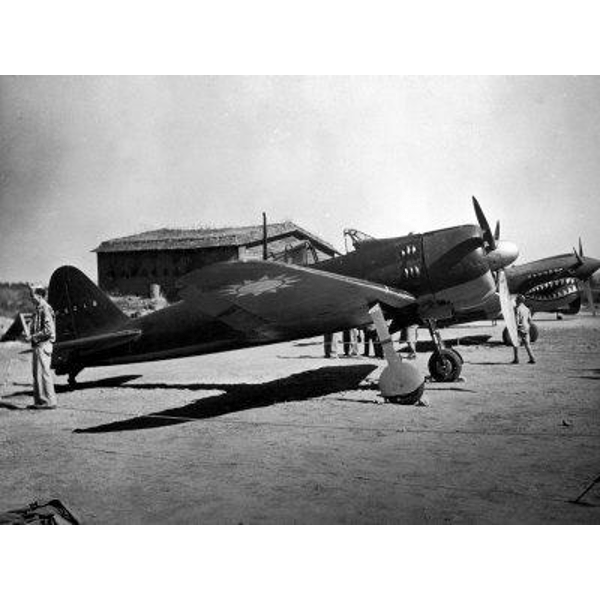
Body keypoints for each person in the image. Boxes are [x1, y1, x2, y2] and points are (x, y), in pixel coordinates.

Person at [26, 285, 57, 409]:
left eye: (32, 295)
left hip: (43, 345)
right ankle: (40, 401)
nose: (31, 298)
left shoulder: (45, 308)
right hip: (39, 345)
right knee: (38, 373)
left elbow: (48, 330)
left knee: (43, 373)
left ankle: (48, 401)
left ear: (39, 295)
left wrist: (33, 336)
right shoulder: (39, 308)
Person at [512, 294, 536, 365]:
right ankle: (532, 358)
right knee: (527, 344)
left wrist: (515, 327)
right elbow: (530, 320)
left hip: (519, 327)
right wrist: (528, 327)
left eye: (516, 300)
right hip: (526, 327)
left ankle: (516, 359)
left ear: (519, 300)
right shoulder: (527, 309)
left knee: (515, 343)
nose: (515, 301)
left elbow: (517, 319)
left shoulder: (517, 308)